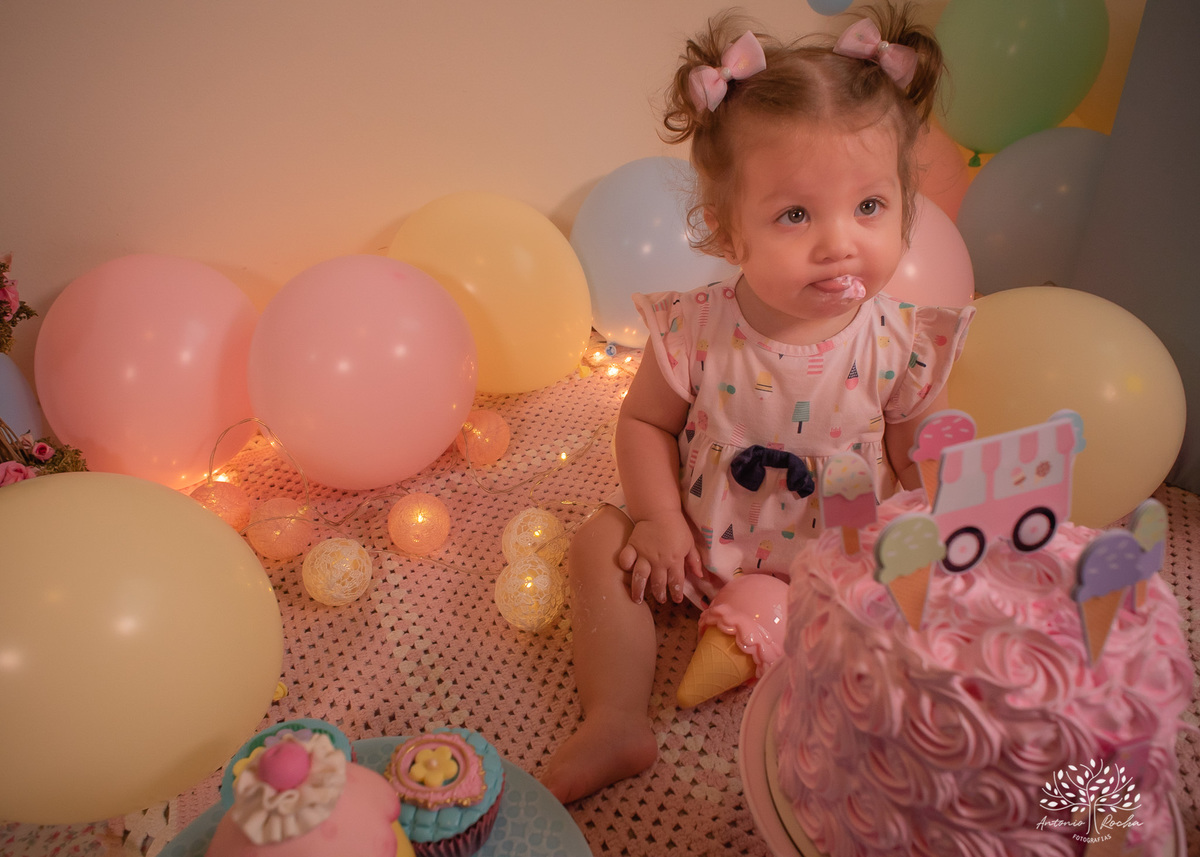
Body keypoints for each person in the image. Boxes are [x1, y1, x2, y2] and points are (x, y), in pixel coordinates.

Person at [539, 3, 974, 805]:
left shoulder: (903, 341)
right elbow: (642, 424)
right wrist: (658, 519)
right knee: (599, 544)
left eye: (870, 207)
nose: (839, 241)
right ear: (725, 230)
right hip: (699, 544)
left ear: (904, 205)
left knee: (918, 614)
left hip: (836, 562)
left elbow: (918, 449)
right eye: (796, 214)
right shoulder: (698, 329)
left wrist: (939, 512)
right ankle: (616, 716)